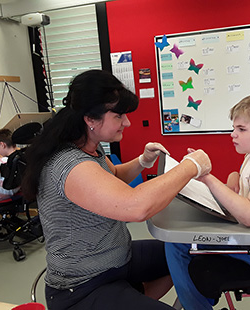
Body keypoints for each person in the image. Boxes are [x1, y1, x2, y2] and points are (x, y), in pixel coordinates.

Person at [21, 69, 212, 310]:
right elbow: (135, 207)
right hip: (83, 286)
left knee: (186, 252)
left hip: (116, 258)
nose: (127, 122)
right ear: (90, 119)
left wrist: (143, 161)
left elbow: (113, 177)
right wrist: (190, 167)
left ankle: (136, 297)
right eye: (119, 116)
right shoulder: (70, 165)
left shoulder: (89, 147)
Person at [165, 93, 250, 310]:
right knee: (178, 241)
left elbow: (249, 215)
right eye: (234, 128)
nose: (233, 135)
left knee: (177, 243)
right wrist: (234, 175)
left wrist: (207, 178)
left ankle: (196, 305)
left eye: (241, 129)